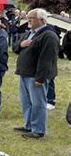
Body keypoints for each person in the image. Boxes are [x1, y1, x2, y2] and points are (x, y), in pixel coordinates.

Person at [13, 8, 59, 139]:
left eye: (31, 18)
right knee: (26, 102)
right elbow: (15, 47)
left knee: (38, 103)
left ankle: (38, 129)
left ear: (42, 20)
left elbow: (47, 59)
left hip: (35, 75)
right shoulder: (30, 33)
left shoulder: (49, 35)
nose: (29, 20)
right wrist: (21, 44)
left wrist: (40, 78)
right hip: (25, 73)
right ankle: (29, 125)